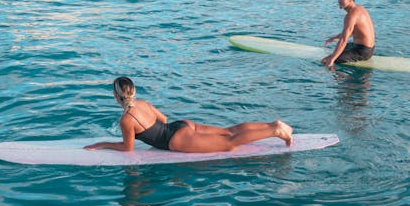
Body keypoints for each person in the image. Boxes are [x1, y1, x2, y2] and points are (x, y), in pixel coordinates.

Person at [85, 77, 293, 153]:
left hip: (176, 140)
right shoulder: (143, 103)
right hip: (181, 125)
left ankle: (275, 131)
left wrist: (102, 144)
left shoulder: (126, 120)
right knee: (228, 132)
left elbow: (127, 148)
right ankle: (273, 124)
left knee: (229, 144)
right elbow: (163, 120)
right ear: (133, 92)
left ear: (116, 96)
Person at [321, 0, 375, 70]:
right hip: (368, 49)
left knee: (325, 61)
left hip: (362, 51)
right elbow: (353, 31)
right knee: (337, 49)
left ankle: (338, 79)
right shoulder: (360, 8)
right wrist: (335, 37)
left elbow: (343, 40)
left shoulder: (351, 16)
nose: (339, 1)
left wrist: (331, 60)